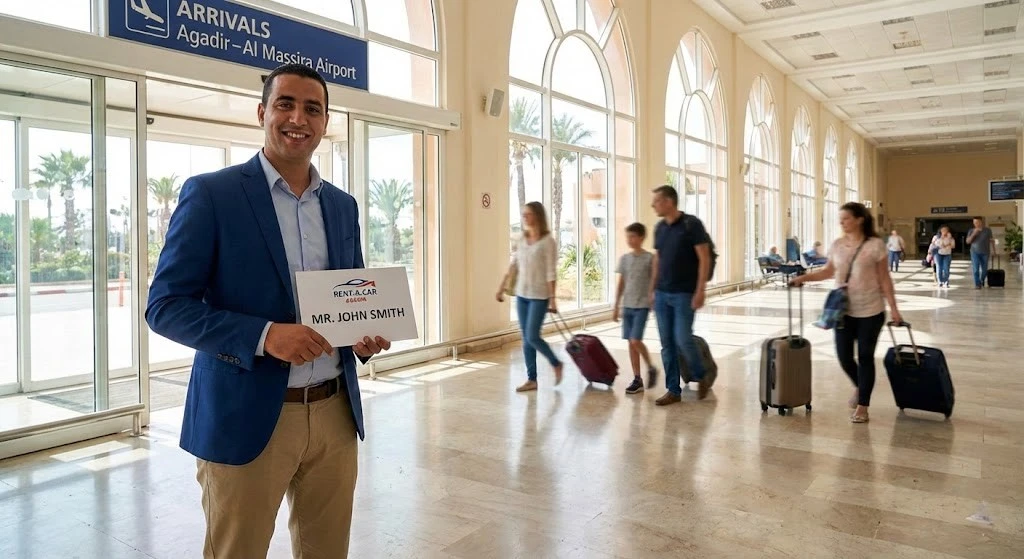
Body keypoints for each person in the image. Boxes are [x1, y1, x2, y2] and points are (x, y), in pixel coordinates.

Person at [146, 63, 391, 559]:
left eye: (312, 108)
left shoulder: (342, 206)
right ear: (263, 112)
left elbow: (351, 291)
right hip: (247, 415)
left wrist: (364, 332)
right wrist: (264, 336)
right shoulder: (212, 194)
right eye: (286, 104)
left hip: (335, 415)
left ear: (325, 122)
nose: (298, 117)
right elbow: (165, 306)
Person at [791, 202, 902, 424]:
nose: (842, 223)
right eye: (840, 220)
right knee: (843, 357)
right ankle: (861, 386)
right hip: (843, 310)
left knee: (865, 356)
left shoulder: (875, 245)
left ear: (859, 219)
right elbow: (828, 272)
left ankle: (863, 405)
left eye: (846, 219)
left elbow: (884, 279)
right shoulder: (838, 245)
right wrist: (802, 278)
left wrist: (894, 309)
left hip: (871, 310)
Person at [649, 185, 712, 405]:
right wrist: (652, 290)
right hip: (662, 295)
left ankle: (701, 373)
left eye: (656, 201)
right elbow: (657, 259)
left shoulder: (691, 225)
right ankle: (673, 390)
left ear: (668, 202)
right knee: (667, 344)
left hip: (685, 294)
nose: (653, 205)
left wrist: (701, 289)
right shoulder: (659, 228)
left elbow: (704, 258)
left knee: (683, 338)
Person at [496, 201, 564, 392]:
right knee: (526, 339)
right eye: (523, 214)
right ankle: (531, 379)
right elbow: (513, 264)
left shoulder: (548, 241)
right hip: (522, 294)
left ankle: (555, 362)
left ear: (538, 216)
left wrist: (553, 298)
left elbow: (551, 271)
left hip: (539, 296)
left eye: (528, 214)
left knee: (533, 336)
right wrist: (501, 287)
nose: (525, 217)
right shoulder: (522, 239)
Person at [612, 222, 658, 394]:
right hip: (628, 306)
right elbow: (621, 283)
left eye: (633, 236)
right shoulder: (624, 259)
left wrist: (653, 296)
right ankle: (637, 378)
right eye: (628, 237)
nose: (629, 240)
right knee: (631, 344)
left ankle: (651, 367)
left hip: (642, 306)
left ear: (641, 238)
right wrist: (616, 306)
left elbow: (654, 280)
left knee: (635, 340)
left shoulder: (650, 258)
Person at [966, 216, 996, 288]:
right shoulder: (971, 230)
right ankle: (977, 284)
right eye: (974, 223)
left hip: (985, 252)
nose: (976, 224)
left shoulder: (987, 230)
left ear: (981, 222)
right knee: (976, 269)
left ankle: (982, 280)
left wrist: (994, 251)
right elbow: (967, 242)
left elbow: (992, 241)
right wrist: (974, 234)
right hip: (974, 252)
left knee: (984, 270)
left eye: (977, 222)